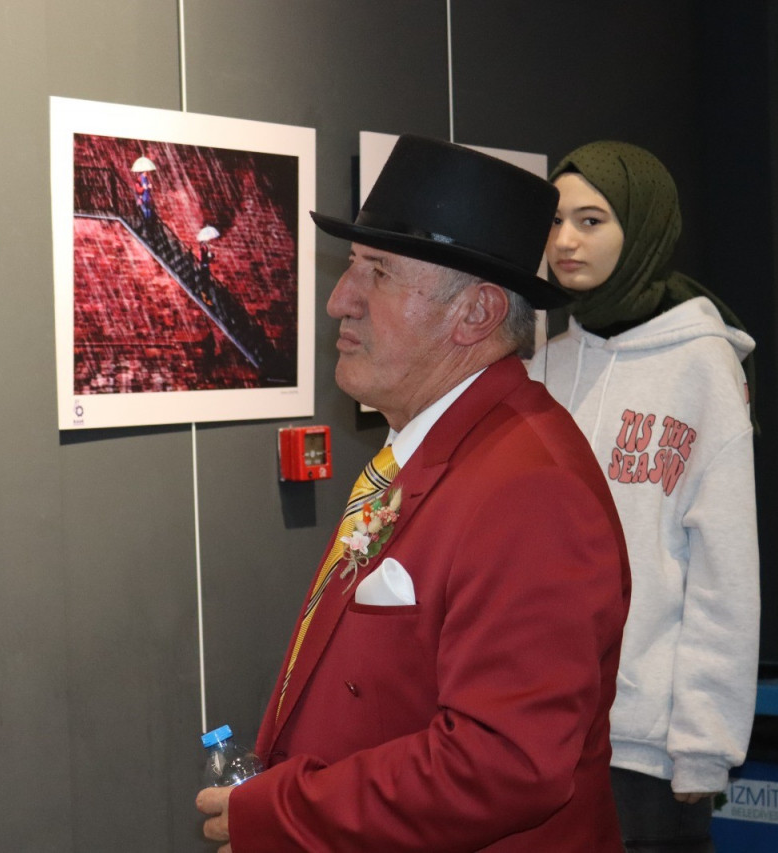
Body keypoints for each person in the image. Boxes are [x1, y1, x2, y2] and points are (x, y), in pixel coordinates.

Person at [195, 135, 631, 851]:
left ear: (477, 313)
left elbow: (504, 762)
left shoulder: (531, 486)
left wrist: (288, 811)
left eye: (379, 273)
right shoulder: (436, 450)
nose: (340, 299)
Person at [534, 140, 760, 853]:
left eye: (592, 219)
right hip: (537, 728)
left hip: (646, 747)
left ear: (642, 225)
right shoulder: (547, 365)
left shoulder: (703, 366)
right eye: (557, 218)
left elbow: (724, 569)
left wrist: (704, 745)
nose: (566, 240)